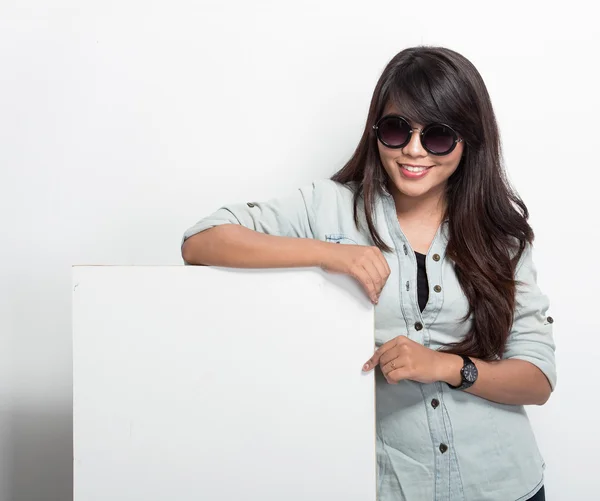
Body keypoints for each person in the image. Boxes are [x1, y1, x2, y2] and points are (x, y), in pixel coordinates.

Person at [180, 46, 555, 501]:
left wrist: (446, 367)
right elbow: (202, 240)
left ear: (469, 141)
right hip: (392, 485)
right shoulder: (331, 208)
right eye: (397, 129)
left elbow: (537, 378)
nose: (413, 150)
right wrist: (325, 254)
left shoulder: (502, 237)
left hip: (504, 485)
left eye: (437, 136)